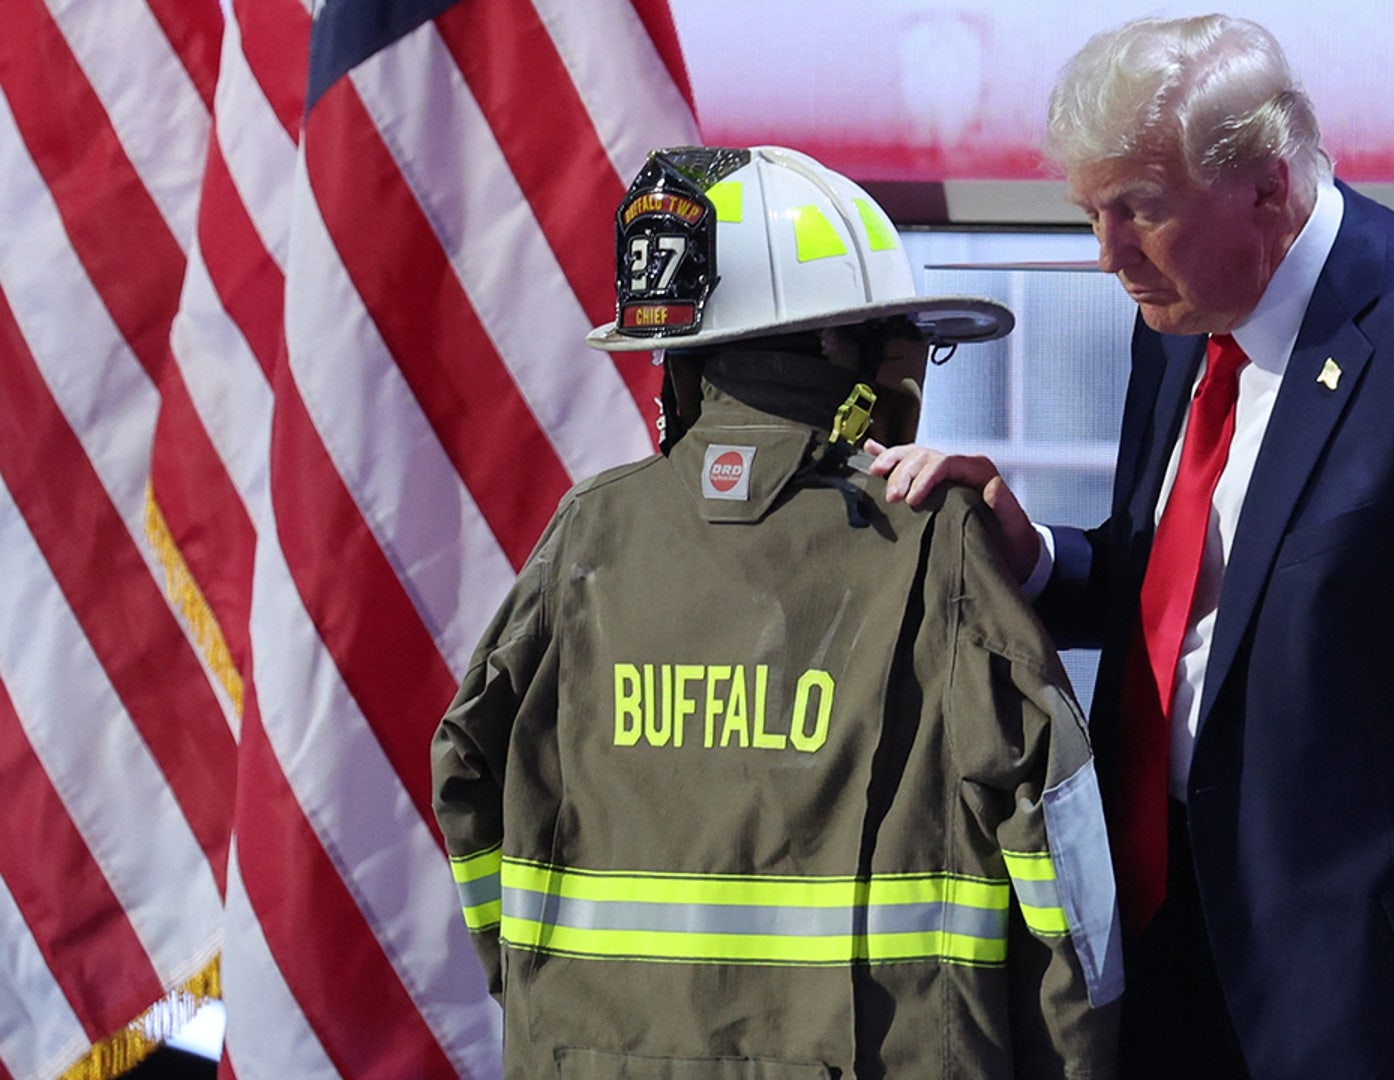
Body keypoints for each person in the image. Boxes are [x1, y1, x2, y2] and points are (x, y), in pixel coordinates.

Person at [869, 15, 1394, 1080]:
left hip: (1389, 997)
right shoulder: (1182, 318)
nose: (1107, 255)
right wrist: (1038, 557)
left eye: (1138, 209)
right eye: (1089, 213)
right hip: (1173, 949)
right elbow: (1194, 595)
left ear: (1268, 190)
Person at [432, 145, 1121, 1079]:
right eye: (903, 337)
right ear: (841, 347)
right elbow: (1061, 831)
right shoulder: (931, 539)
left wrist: (540, 989)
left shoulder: (587, 534)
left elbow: (465, 766)